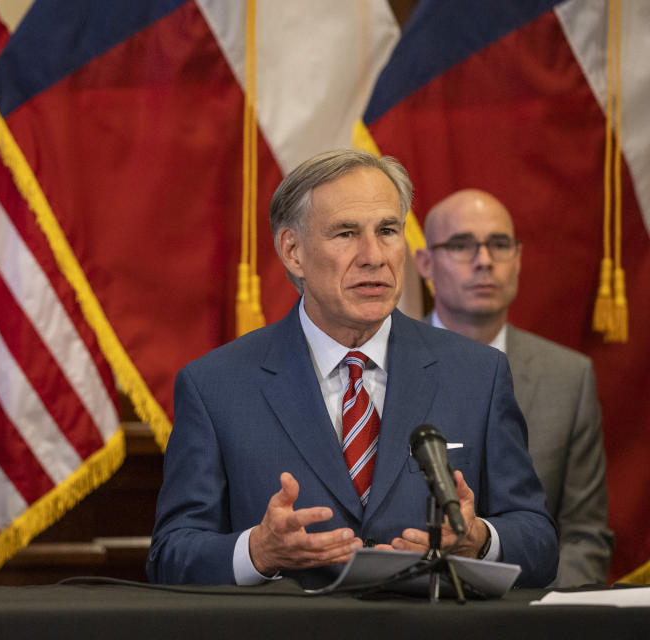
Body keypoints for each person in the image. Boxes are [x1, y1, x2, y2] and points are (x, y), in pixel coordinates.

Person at [146, 149, 557, 589]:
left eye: (387, 231)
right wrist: (258, 552)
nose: (373, 256)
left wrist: (478, 540)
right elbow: (171, 554)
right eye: (345, 233)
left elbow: (538, 543)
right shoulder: (216, 386)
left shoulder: (479, 375)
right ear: (293, 252)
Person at [414, 188, 613, 586]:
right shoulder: (382, 363)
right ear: (425, 263)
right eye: (461, 245)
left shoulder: (568, 377)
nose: (484, 262)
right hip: (407, 604)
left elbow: (584, 537)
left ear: (518, 259)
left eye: (499, 245)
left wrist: (528, 616)